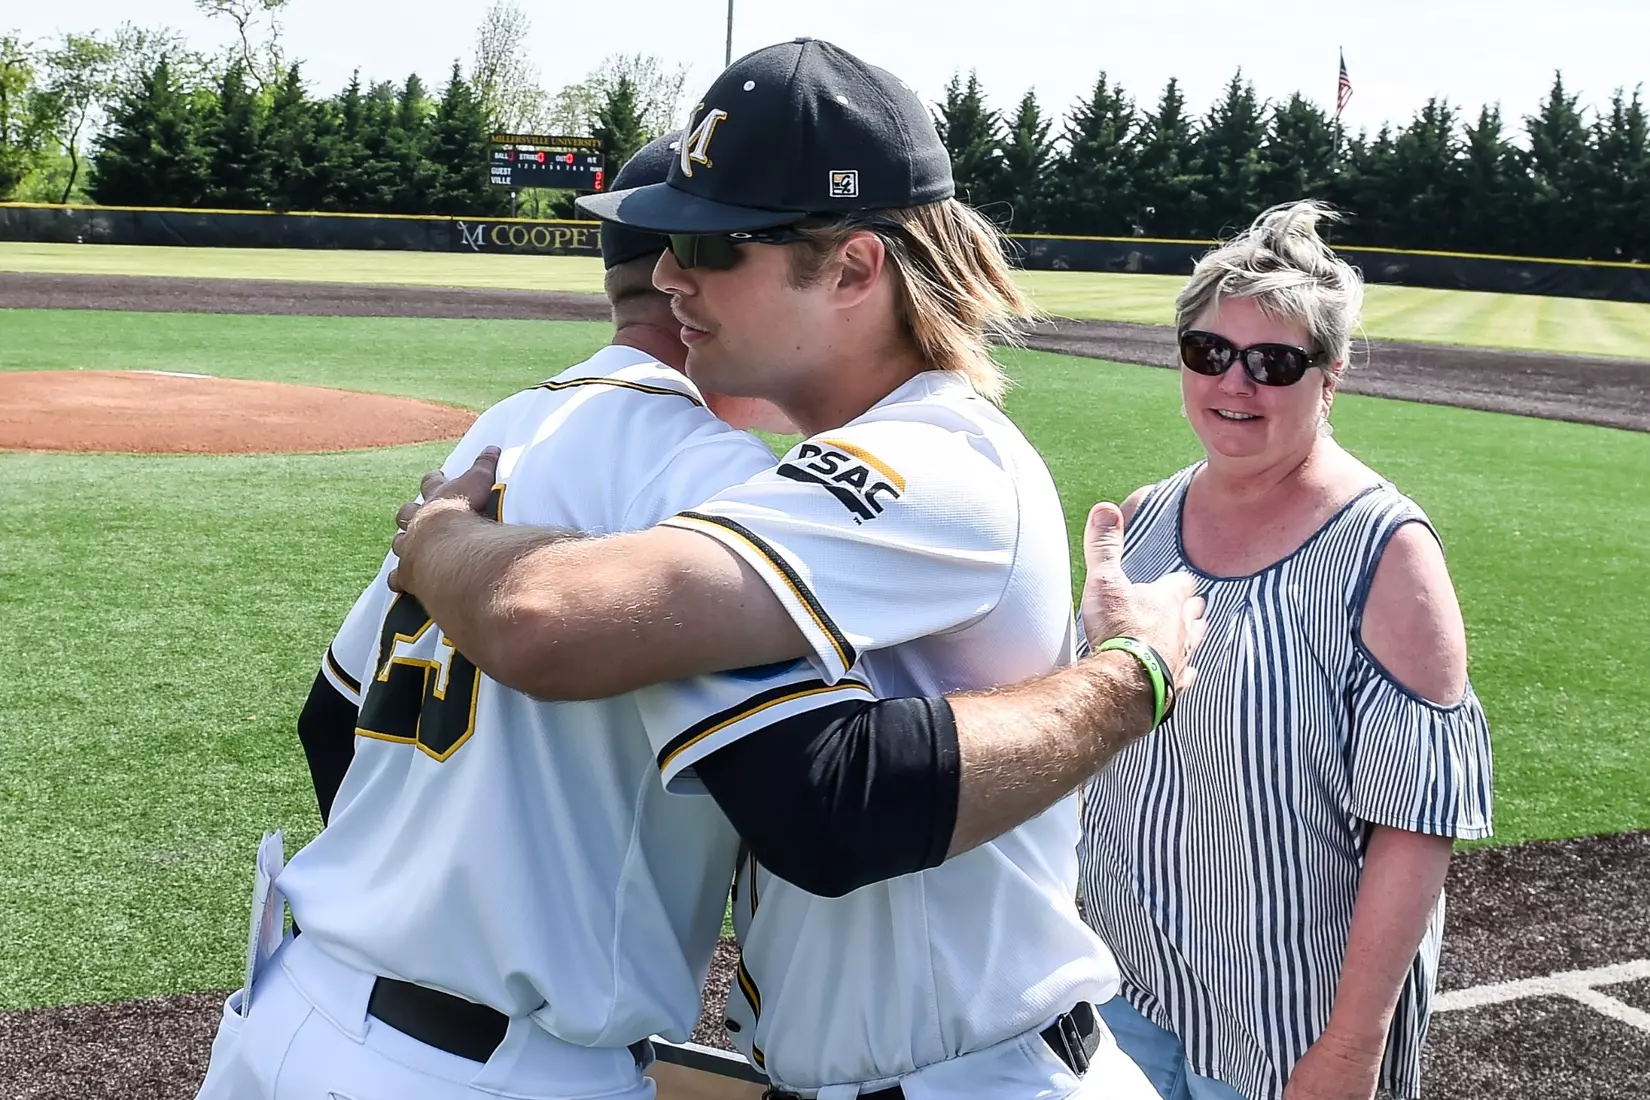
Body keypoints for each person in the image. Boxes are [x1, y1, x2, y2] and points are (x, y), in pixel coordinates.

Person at [390, 37, 1205, 1100]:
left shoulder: (934, 456)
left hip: (980, 1075)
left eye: (717, 247)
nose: (669, 276)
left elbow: (546, 617)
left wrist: (438, 539)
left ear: (856, 267)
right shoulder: (819, 475)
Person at [195, 134, 831, 1100]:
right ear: (703, 280)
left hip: (290, 1015)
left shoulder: (498, 430)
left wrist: (419, 887)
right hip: (493, 1072)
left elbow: (331, 713)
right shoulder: (722, 483)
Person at [1077, 201, 1494, 1100]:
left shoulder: (1388, 551)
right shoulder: (1145, 519)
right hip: (1127, 981)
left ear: (1330, 376)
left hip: (1289, 1023)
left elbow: (1415, 825)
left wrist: (1349, 1050)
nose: (1236, 384)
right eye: (1209, 353)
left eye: (1274, 362)